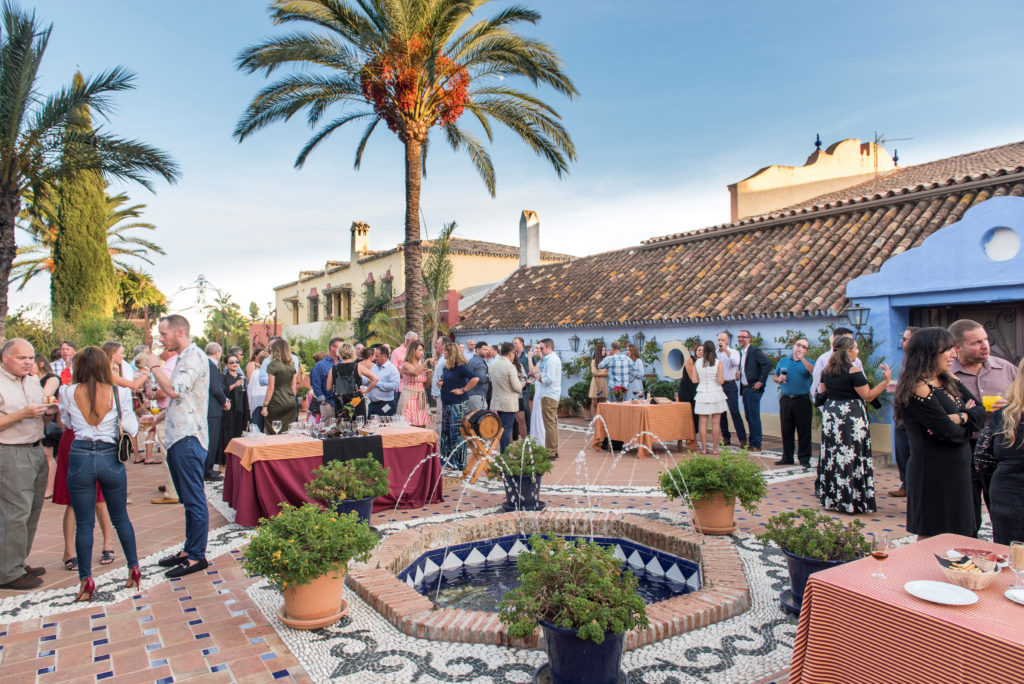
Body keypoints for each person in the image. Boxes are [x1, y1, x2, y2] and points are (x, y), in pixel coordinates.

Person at [59, 346, 141, 601]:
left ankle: (86, 581)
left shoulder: (68, 391)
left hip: (81, 454)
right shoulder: (118, 392)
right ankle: (134, 569)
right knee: (121, 518)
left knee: (84, 523)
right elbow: (131, 427)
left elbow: (66, 422)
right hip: (109, 456)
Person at [894, 327, 984, 538]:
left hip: (959, 469)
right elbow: (949, 433)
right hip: (934, 472)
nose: (954, 354)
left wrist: (962, 418)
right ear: (929, 352)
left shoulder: (949, 380)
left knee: (961, 533)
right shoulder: (918, 388)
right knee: (934, 535)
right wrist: (964, 426)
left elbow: (980, 412)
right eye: (948, 349)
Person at [146, 314, 211, 576]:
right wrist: (158, 417)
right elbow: (183, 401)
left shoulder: (194, 356)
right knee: (187, 498)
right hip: (178, 436)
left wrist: (153, 367)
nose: (161, 339)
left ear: (180, 332)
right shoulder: (184, 357)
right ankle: (190, 547)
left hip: (188, 438)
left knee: (194, 499)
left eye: (163, 334)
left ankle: (197, 556)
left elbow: (174, 390)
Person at [949, 318, 1017, 533]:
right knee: (967, 509)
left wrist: (1013, 404)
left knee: (1001, 507)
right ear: (957, 348)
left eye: (986, 339)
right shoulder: (945, 374)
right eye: (976, 342)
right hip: (964, 447)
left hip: (1000, 447)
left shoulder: (1005, 368)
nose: (985, 345)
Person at [0, 338, 56, 590]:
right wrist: (22, 414)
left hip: (36, 448)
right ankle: (8, 571)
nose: (27, 362)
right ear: (5, 358)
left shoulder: (33, 382)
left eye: (31, 357)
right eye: (21, 357)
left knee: (32, 508)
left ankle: (17, 561)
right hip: (10, 450)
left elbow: (40, 417)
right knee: (16, 511)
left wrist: (48, 413)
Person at [815, 337, 890, 514]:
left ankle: (834, 498)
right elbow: (868, 395)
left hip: (832, 414)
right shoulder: (853, 371)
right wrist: (885, 381)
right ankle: (852, 499)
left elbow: (821, 394)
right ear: (848, 352)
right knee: (852, 453)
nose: (857, 351)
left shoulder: (827, 371)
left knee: (834, 454)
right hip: (850, 415)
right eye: (855, 348)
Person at [974, 357, 1024, 544]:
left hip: (1006, 492)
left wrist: (993, 488)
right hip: (1007, 492)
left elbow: (982, 459)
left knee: (1010, 554)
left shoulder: (1005, 415)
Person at [773, 339, 815, 467]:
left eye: (804, 347)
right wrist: (778, 379)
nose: (800, 348)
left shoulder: (809, 362)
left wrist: (802, 359)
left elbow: (814, 372)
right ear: (793, 346)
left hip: (802, 400)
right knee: (786, 430)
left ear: (806, 350)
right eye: (798, 345)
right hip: (786, 399)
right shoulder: (783, 361)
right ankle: (787, 457)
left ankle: (804, 458)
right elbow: (775, 376)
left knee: (804, 430)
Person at [889, 326, 919, 497]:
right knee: (902, 449)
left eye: (905, 339)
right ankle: (906, 483)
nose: (902, 342)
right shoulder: (907, 359)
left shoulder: (919, 361)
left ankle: (911, 485)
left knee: (910, 449)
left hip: (912, 412)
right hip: (902, 412)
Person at [440, 342, 478, 469]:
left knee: (456, 433)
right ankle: (447, 461)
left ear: (451, 353)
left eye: (445, 351)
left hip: (457, 404)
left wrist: (463, 389)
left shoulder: (461, 367)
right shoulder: (446, 367)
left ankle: (459, 463)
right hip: (446, 402)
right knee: (445, 433)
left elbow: (475, 379)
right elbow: (448, 381)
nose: (443, 353)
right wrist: (440, 383)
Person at [689, 341, 728, 455]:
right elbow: (721, 381)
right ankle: (715, 448)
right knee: (716, 423)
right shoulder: (718, 363)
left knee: (703, 423)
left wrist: (703, 380)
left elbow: (694, 380)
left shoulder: (697, 362)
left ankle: (704, 448)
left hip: (702, 393)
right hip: (716, 393)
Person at [736, 330, 771, 452]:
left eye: (743, 337)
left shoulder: (754, 351)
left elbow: (767, 364)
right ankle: (752, 442)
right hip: (745, 388)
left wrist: (761, 381)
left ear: (749, 338)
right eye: (739, 337)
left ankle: (756, 444)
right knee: (748, 416)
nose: (741, 339)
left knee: (753, 416)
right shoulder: (742, 353)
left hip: (753, 388)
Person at [811, 327, 862, 400]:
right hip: (831, 406)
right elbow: (816, 385)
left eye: (851, 340)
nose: (850, 342)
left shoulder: (856, 361)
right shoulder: (823, 359)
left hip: (853, 405)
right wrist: (824, 408)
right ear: (835, 340)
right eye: (847, 339)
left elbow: (863, 384)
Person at [489, 342, 524, 453]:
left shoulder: (492, 364)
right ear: (510, 353)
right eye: (514, 353)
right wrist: (522, 384)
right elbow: (517, 387)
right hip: (508, 402)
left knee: (502, 428)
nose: (514, 356)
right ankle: (504, 454)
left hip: (497, 401)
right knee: (506, 428)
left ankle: (503, 452)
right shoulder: (510, 366)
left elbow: (491, 380)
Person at [327, 343, 374, 420]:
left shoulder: (334, 368)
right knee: (359, 427)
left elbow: (328, 387)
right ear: (353, 353)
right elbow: (375, 379)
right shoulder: (358, 367)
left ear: (339, 353)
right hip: (356, 402)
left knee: (342, 428)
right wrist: (366, 391)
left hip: (341, 403)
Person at [36, 355, 61, 498]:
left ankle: (50, 488)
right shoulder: (29, 379)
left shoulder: (51, 378)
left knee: (48, 455)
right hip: (36, 420)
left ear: (40, 364)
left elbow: (46, 395)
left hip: (49, 419)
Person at [716, 332, 746, 447]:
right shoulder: (715, 354)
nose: (720, 342)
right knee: (721, 412)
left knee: (734, 412)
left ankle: (742, 439)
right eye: (719, 340)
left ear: (727, 341)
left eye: (722, 340)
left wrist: (726, 351)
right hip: (719, 386)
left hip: (730, 384)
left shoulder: (734, 352)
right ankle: (726, 437)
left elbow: (736, 363)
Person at [261, 338, 298, 433]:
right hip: (290, 402)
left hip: (276, 402)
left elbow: (271, 387)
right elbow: (294, 388)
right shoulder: (292, 365)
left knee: (274, 430)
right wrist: (292, 400)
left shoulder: (272, 365)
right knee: (289, 431)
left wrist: (265, 405)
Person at [204, 343, 228, 481]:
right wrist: (224, 401)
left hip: (211, 408)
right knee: (211, 440)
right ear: (218, 352)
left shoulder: (208, 364)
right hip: (212, 408)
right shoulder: (210, 365)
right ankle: (207, 470)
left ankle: (207, 468)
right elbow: (216, 388)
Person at [536, 338, 562, 458]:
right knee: (551, 423)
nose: (540, 350)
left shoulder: (551, 360)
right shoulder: (549, 359)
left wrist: (540, 378)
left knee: (549, 424)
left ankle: (551, 451)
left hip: (549, 394)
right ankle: (553, 449)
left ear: (549, 347)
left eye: (542, 348)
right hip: (551, 394)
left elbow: (549, 379)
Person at [397, 340, 431, 426]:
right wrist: (426, 362)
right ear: (412, 351)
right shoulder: (406, 365)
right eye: (419, 350)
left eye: (422, 350)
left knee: (422, 425)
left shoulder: (421, 366)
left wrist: (428, 374)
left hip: (420, 398)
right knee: (409, 425)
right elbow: (415, 373)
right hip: (409, 397)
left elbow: (427, 385)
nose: (422, 352)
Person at [310, 337, 343, 423]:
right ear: (332, 347)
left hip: (343, 403)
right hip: (329, 403)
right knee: (328, 429)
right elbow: (316, 385)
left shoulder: (343, 363)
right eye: (341, 347)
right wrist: (323, 401)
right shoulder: (320, 365)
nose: (343, 350)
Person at [222, 354, 248, 449]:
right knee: (228, 435)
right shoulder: (224, 377)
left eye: (237, 362)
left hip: (240, 409)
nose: (235, 364)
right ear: (226, 365)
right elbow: (223, 391)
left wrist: (247, 415)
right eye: (231, 362)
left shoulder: (241, 377)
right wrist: (234, 385)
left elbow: (245, 395)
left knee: (239, 435)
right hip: (229, 410)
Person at [367, 345, 400, 417]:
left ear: (384, 356)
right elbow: (368, 380)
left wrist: (376, 383)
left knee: (385, 426)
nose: (374, 358)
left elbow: (395, 386)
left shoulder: (392, 369)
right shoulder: (374, 367)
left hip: (385, 405)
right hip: (372, 405)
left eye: (377, 356)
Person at [513, 336, 532, 438]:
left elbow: (533, 367)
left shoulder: (527, 354)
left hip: (525, 384)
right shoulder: (513, 355)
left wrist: (529, 380)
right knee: (516, 411)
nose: (515, 345)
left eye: (516, 343)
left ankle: (528, 429)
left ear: (522, 343)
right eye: (514, 343)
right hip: (515, 386)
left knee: (525, 408)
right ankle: (517, 432)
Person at [247, 350, 269, 432]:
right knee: (258, 428)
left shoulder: (256, 373)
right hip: (260, 404)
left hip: (258, 403)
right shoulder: (259, 373)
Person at [466, 341, 491, 412]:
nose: (487, 352)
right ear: (477, 350)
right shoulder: (479, 363)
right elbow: (482, 378)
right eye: (484, 350)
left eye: (487, 350)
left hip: (472, 394)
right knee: (481, 419)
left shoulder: (471, 360)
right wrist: (490, 377)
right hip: (478, 395)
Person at [588, 341, 608, 421]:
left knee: (603, 403)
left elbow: (607, 374)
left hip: (604, 383)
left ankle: (601, 421)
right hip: (596, 384)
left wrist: (598, 373)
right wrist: (599, 387)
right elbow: (594, 374)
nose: (604, 352)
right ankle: (594, 421)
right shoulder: (594, 361)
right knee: (594, 403)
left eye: (605, 350)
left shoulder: (606, 361)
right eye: (602, 350)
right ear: (599, 351)